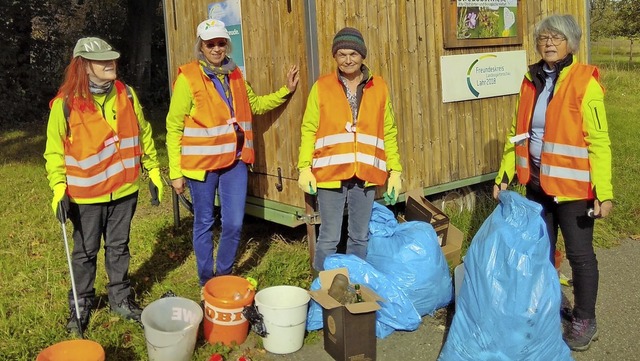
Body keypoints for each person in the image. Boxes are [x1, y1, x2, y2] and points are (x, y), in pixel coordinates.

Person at [493, 15, 613, 351]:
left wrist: (604, 193)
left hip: (574, 190)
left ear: (571, 43)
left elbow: (599, 141)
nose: (548, 43)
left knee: (580, 255)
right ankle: (546, 307)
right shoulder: (532, 80)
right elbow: (520, 132)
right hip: (537, 186)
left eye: (556, 38)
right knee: (541, 252)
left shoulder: (584, 83)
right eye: (543, 38)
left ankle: (585, 318)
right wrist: (504, 175)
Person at [166, 19, 299, 289]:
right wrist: (175, 173)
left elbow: (256, 105)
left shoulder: (235, 73)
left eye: (220, 43)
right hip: (201, 166)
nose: (216, 48)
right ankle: (207, 281)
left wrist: (287, 91)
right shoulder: (188, 77)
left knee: (234, 223)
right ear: (200, 46)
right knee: (204, 222)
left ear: (227, 44)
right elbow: (173, 126)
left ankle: (223, 275)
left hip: (234, 163)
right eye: (210, 44)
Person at [44, 37, 163, 334]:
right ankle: (81, 304)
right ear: (83, 66)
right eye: (102, 60)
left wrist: (153, 168)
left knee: (119, 247)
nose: (111, 63)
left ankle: (120, 298)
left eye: (112, 58)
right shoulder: (66, 105)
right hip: (86, 196)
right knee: (85, 253)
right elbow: (54, 151)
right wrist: (59, 188)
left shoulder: (128, 94)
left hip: (124, 191)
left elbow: (143, 132)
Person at [297, 27, 403, 272]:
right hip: (330, 174)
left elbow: (389, 131)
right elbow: (309, 128)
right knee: (329, 238)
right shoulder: (322, 87)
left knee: (359, 237)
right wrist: (304, 167)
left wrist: (395, 171)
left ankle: (355, 289)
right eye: (342, 54)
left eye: (353, 54)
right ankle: (322, 291)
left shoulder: (380, 87)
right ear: (335, 57)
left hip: (365, 174)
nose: (348, 60)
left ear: (362, 56)